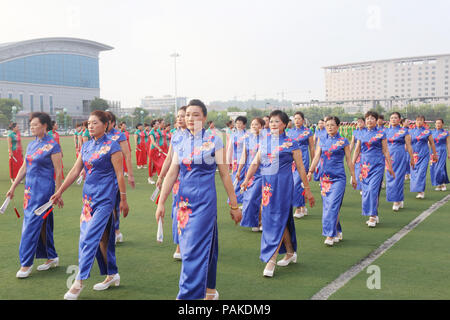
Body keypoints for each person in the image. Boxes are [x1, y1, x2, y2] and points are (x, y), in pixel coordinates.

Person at [155, 99, 242, 300]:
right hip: (183, 203)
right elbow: (171, 173)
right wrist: (161, 202)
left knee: (192, 251)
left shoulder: (214, 140)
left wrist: (234, 204)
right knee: (197, 246)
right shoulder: (179, 139)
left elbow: (225, 174)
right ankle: (209, 290)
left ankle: (187, 298)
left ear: (204, 117)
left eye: (195, 115)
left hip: (204, 202)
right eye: (187, 115)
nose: (190, 118)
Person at [50, 110, 129, 300]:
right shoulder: (86, 146)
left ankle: (78, 282)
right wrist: (59, 191)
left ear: (106, 125)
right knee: (103, 238)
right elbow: (75, 171)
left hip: (105, 200)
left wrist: (124, 199)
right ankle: (112, 274)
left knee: (88, 238)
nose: (90, 126)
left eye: (95, 123)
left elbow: (119, 174)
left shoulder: (113, 146)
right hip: (88, 201)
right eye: (89, 123)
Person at [241, 110, 315, 278]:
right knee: (275, 218)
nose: (273, 124)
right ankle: (290, 252)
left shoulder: (291, 143)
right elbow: (255, 163)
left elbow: (301, 167)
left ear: (284, 124)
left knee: (276, 219)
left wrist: (307, 189)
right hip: (267, 187)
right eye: (271, 121)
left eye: (276, 121)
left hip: (283, 186)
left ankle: (271, 259)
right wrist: (246, 180)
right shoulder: (265, 141)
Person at [6, 112, 63, 279]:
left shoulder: (53, 145)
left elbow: (58, 171)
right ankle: (51, 257)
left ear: (44, 126)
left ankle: (26, 263)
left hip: (44, 191)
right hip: (29, 191)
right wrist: (13, 186)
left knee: (30, 224)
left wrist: (58, 192)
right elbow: (24, 167)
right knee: (44, 223)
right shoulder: (31, 145)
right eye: (30, 125)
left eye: (35, 125)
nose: (32, 128)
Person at [308, 116, 356, 246]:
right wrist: (310, 171)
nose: (329, 127)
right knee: (329, 206)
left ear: (338, 126)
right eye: (327, 125)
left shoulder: (343, 141)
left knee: (333, 205)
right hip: (325, 179)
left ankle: (329, 234)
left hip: (339, 178)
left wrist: (354, 176)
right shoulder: (321, 140)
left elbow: (349, 160)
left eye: (332, 125)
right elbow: (316, 157)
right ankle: (337, 229)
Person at [352, 111, 394, 228]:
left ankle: (372, 215)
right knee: (366, 190)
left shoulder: (381, 134)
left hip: (378, 165)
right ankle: (374, 214)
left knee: (372, 189)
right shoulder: (361, 134)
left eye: (372, 118)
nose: (369, 121)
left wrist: (389, 166)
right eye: (367, 119)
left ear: (376, 120)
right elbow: (357, 150)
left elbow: (385, 151)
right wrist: (352, 164)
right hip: (365, 166)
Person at [156, 106, 188, 260]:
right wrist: (161, 176)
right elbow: (169, 158)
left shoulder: (200, 138)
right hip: (177, 180)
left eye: (184, 116)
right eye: (179, 116)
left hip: (194, 181)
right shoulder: (175, 136)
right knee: (178, 212)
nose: (180, 119)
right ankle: (180, 245)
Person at [105, 111, 136, 244]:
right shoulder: (97, 135)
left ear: (112, 123)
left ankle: (116, 230)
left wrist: (130, 174)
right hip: (99, 176)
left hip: (114, 175)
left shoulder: (119, 135)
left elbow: (127, 155)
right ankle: (104, 231)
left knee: (114, 204)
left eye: (107, 121)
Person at [236, 117, 264, 232]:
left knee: (258, 198)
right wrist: (239, 170)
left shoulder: (266, 140)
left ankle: (262, 221)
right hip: (250, 172)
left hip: (262, 172)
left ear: (262, 127)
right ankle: (256, 221)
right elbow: (244, 156)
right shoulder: (247, 139)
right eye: (252, 124)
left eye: (256, 124)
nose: (253, 126)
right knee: (250, 198)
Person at [384, 112, 414, 211]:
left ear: (399, 119)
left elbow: (409, 146)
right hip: (388, 156)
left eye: (395, 118)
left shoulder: (404, 131)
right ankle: (398, 198)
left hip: (400, 156)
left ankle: (396, 201)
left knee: (398, 178)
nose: (393, 119)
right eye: (391, 118)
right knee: (389, 178)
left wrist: (412, 158)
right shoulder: (385, 131)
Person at [287, 111, 314, 218]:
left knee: (297, 183)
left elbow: (312, 147)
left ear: (303, 120)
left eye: (299, 118)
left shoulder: (308, 132)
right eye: (295, 118)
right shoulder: (289, 132)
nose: (297, 121)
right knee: (299, 184)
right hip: (292, 160)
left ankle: (298, 208)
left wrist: (313, 163)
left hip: (304, 159)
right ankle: (303, 206)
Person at [409, 115, 438, 199]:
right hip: (414, 156)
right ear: (415, 121)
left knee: (421, 173)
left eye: (421, 120)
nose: (419, 122)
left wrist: (435, 154)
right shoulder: (410, 131)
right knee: (414, 173)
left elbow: (432, 143)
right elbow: (408, 143)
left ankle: (421, 191)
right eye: (417, 120)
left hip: (424, 155)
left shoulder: (427, 132)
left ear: (423, 122)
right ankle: (418, 190)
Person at [227, 116, 247, 205]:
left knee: (245, 180)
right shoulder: (233, 135)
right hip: (236, 161)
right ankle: (234, 199)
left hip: (246, 161)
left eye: (240, 123)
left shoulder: (247, 135)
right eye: (237, 123)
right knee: (235, 180)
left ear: (244, 125)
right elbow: (230, 149)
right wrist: (228, 162)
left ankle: (244, 200)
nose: (238, 125)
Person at [430, 119, 449, 191]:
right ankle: (439, 184)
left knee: (440, 168)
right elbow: (430, 143)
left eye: (439, 123)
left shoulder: (446, 133)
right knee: (434, 168)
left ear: (442, 124)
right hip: (433, 152)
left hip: (442, 151)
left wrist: (449, 153)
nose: (438, 124)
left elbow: (448, 143)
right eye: (436, 123)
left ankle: (443, 184)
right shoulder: (432, 132)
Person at [148, 119, 168, 184]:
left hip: (158, 149)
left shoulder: (158, 131)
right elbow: (153, 142)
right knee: (151, 164)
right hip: (153, 150)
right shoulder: (151, 132)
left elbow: (162, 138)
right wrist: (158, 148)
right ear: (153, 125)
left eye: (158, 124)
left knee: (161, 163)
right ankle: (150, 178)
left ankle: (160, 175)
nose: (158, 125)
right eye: (157, 124)